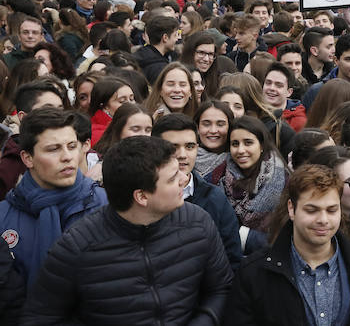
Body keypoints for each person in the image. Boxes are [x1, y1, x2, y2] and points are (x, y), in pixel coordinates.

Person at [21, 136, 232, 324]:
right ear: (141, 196)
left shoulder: (197, 222)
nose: (184, 179)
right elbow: (40, 316)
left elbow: (222, 289)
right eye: (172, 178)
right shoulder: (77, 245)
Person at [224, 165, 350, 326]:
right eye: (312, 210)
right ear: (291, 209)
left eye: (331, 210)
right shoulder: (254, 273)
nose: (323, 220)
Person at [0, 108, 107, 285]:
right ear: (28, 159)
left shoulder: (105, 205)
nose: (67, 157)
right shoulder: (4, 216)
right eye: (53, 149)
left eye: (72, 146)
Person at [153, 114, 243, 272]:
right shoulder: (143, 199)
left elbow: (231, 261)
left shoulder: (215, 199)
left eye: (190, 146)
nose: (182, 155)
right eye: (173, 147)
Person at [206, 116, 288, 234]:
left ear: (262, 146)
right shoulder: (217, 176)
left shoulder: (282, 179)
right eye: (235, 144)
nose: (240, 150)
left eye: (248, 143)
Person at [0, 81, 66, 200]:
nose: (58, 117)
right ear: (23, 118)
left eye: (60, 110)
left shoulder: (76, 150)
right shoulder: (9, 168)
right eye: (47, 110)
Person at [88, 76, 136, 146]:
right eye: (122, 101)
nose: (130, 104)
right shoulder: (97, 134)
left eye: (131, 99)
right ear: (104, 106)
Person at [194, 100, 235, 178]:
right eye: (206, 124)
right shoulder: (182, 159)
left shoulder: (240, 160)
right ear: (197, 127)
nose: (213, 130)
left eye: (220, 124)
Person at [133, 15, 178, 85]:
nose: (177, 39)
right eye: (175, 35)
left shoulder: (139, 55)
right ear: (165, 38)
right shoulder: (161, 69)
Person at [264, 61, 307, 132]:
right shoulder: (254, 113)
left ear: (289, 92)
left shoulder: (299, 122)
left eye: (278, 85)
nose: (271, 88)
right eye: (268, 83)